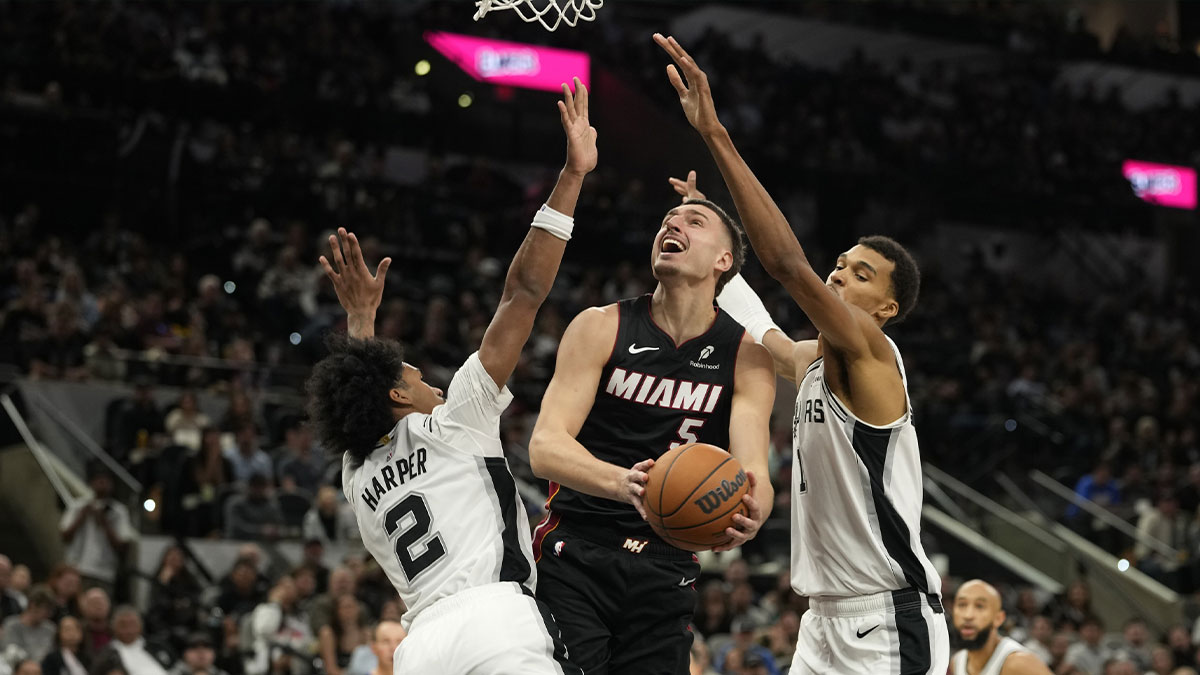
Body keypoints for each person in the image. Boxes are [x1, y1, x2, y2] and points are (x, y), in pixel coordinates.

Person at [654, 33, 947, 674]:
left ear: (888, 309)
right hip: (823, 620)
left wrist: (715, 134)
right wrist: (717, 262)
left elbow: (787, 265)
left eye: (860, 275)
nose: (839, 276)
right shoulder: (821, 358)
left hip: (885, 617)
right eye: (840, 265)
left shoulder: (871, 351)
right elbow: (773, 342)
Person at [307, 78, 594, 674]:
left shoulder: (358, 471)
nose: (431, 382)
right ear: (396, 394)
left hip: (422, 651)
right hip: (494, 620)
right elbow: (523, 293)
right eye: (415, 374)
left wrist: (362, 319)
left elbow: (361, 384)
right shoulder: (455, 420)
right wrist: (571, 176)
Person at [527, 63, 775, 675]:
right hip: (576, 550)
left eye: (694, 221)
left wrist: (754, 509)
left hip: (670, 563)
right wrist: (624, 484)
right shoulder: (600, 324)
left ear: (724, 260)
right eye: (669, 220)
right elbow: (544, 446)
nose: (672, 223)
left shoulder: (748, 352)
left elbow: (754, 471)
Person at [59, 461, 134, 595]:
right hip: (78, 569)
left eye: (105, 481)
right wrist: (82, 517)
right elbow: (64, 536)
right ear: (91, 483)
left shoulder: (118, 511)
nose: (102, 483)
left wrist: (104, 522)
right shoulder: (78, 506)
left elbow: (123, 545)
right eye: (98, 480)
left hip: (105, 572)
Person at [949, 580, 1050, 675]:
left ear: (999, 618)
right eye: (962, 605)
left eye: (979, 606)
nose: (968, 615)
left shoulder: (1018, 663)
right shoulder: (957, 661)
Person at [0, 586, 56, 664]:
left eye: (51, 610)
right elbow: (9, 653)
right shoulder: (12, 625)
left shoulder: (50, 628)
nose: (49, 614)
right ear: (33, 605)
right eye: (46, 609)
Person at [317, 595, 365, 675]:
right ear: (337, 611)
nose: (349, 611)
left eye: (352, 607)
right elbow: (331, 669)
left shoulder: (365, 633)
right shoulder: (328, 633)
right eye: (345, 607)